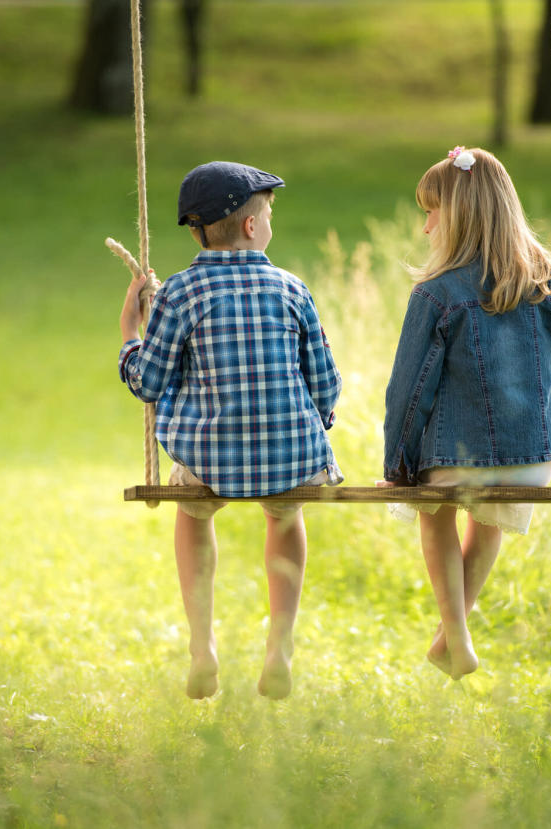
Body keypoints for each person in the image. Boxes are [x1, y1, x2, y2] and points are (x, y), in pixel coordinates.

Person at [380, 146, 551, 680]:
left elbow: (408, 394)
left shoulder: (434, 294)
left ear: (458, 217)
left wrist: (398, 470)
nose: (426, 226)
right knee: (489, 516)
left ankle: (455, 632)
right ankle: (448, 641)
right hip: (531, 466)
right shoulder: (541, 280)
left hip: (459, 462)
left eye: (432, 212)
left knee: (435, 511)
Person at [119, 161, 342, 700]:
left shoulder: (178, 292)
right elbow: (327, 384)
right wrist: (313, 427)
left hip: (208, 458)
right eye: (267, 212)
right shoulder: (292, 288)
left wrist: (131, 330)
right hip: (291, 455)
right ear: (250, 227)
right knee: (285, 516)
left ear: (197, 231)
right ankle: (280, 647)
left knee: (193, 515)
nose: (269, 221)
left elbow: (148, 382)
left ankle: (202, 647)